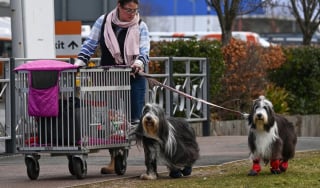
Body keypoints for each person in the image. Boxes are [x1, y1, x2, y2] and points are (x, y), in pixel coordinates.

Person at [74, 0, 150, 174]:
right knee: (112, 119)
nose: (132, 13)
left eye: (135, 10)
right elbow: (90, 44)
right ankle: (115, 159)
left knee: (135, 120)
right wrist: (79, 62)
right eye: (128, 10)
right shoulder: (104, 21)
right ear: (119, 6)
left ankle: (149, 160)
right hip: (109, 76)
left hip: (133, 76)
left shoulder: (140, 25)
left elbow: (144, 50)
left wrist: (139, 62)